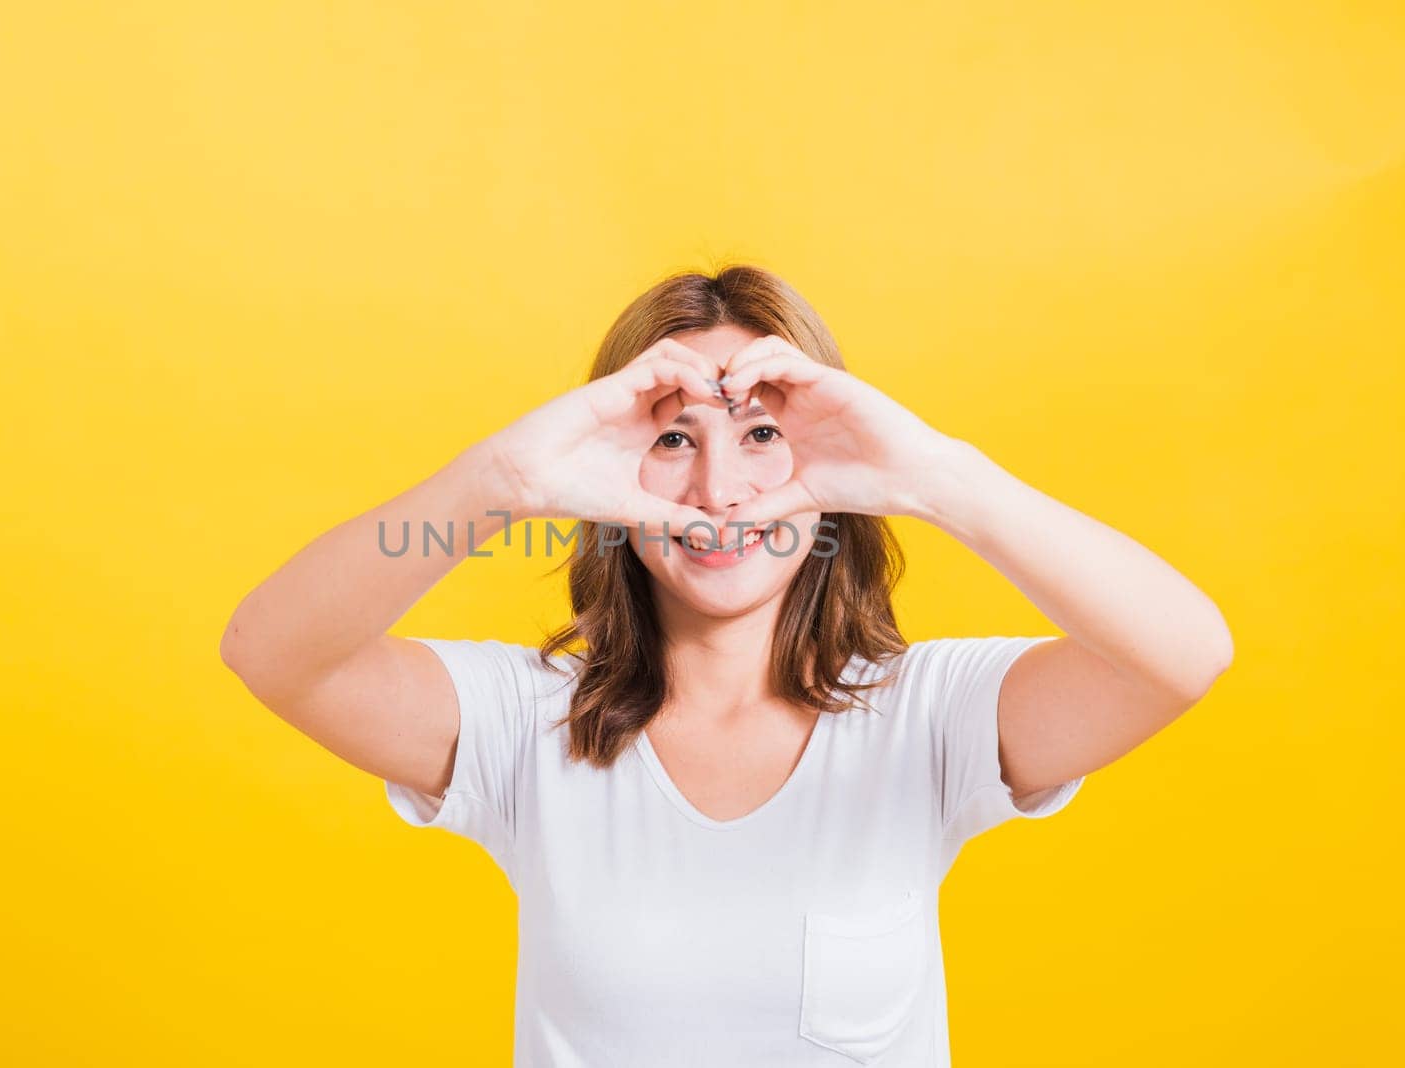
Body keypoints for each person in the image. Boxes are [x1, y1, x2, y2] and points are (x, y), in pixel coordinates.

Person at [220, 264, 1233, 1066]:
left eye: (761, 433)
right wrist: (503, 481)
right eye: (672, 439)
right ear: (614, 466)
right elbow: (271, 652)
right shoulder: (521, 727)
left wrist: (931, 477)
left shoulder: (929, 718)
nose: (718, 488)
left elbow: (1183, 656)